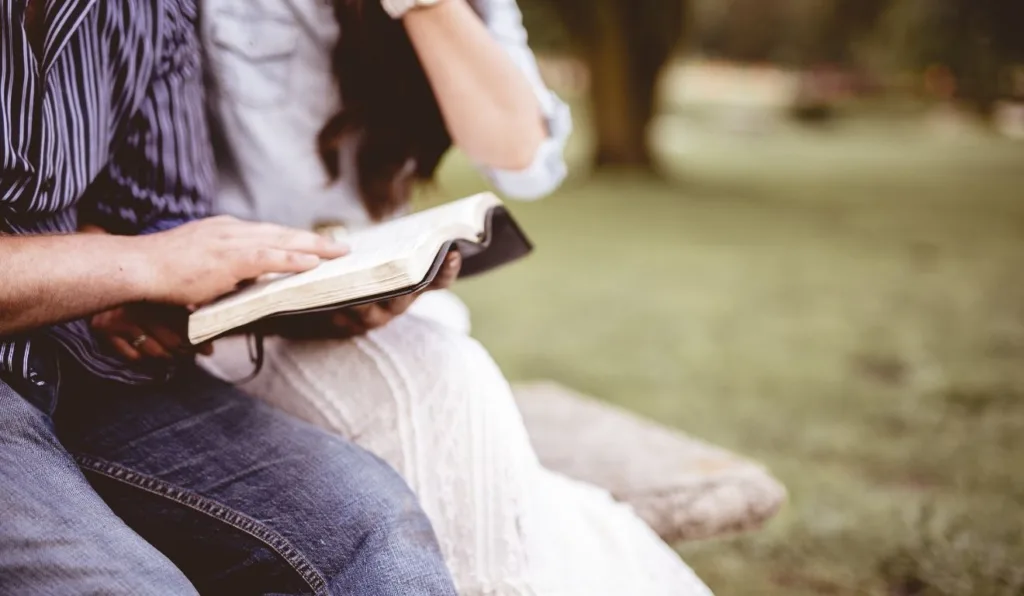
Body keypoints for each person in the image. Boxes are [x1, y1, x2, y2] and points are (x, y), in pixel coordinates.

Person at [114, 0, 713, 593]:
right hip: (221, 318)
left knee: (460, 418)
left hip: (382, 303)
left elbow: (523, 158)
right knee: (441, 390)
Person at [0, 1, 458, 594]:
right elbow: (146, 257)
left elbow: (158, 221)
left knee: (372, 531)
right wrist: (132, 265)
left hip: (84, 362)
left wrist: (291, 295)